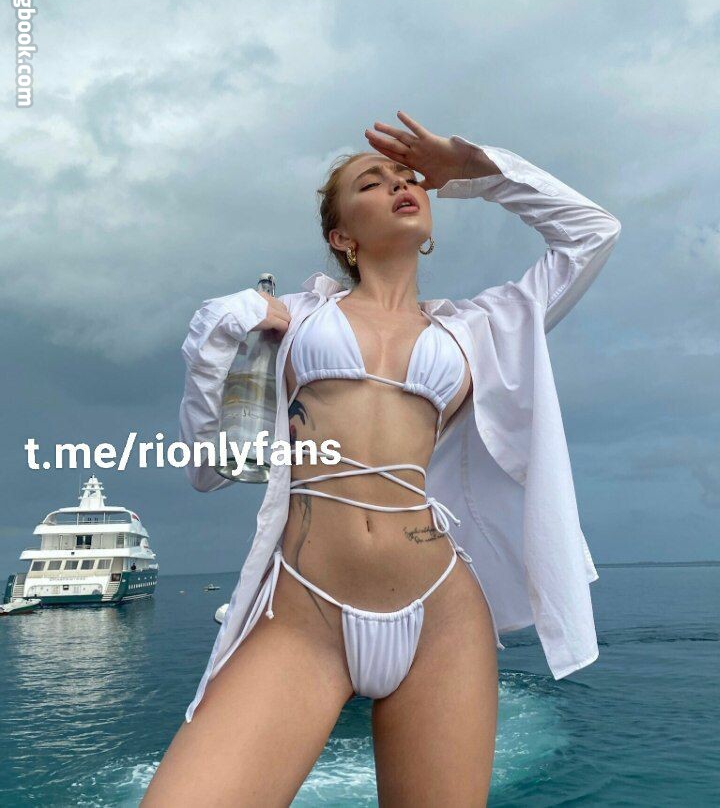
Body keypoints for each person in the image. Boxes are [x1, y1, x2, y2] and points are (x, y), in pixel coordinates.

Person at [142, 113, 621, 806]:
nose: (400, 185)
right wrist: (236, 320)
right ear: (342, 237)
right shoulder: (293, 319)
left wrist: (473, 170)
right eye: (372, 182)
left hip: (442, 614)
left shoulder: (482, 327)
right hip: (304, 614)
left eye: (406, 178)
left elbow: (592, 232)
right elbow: (209, 463)